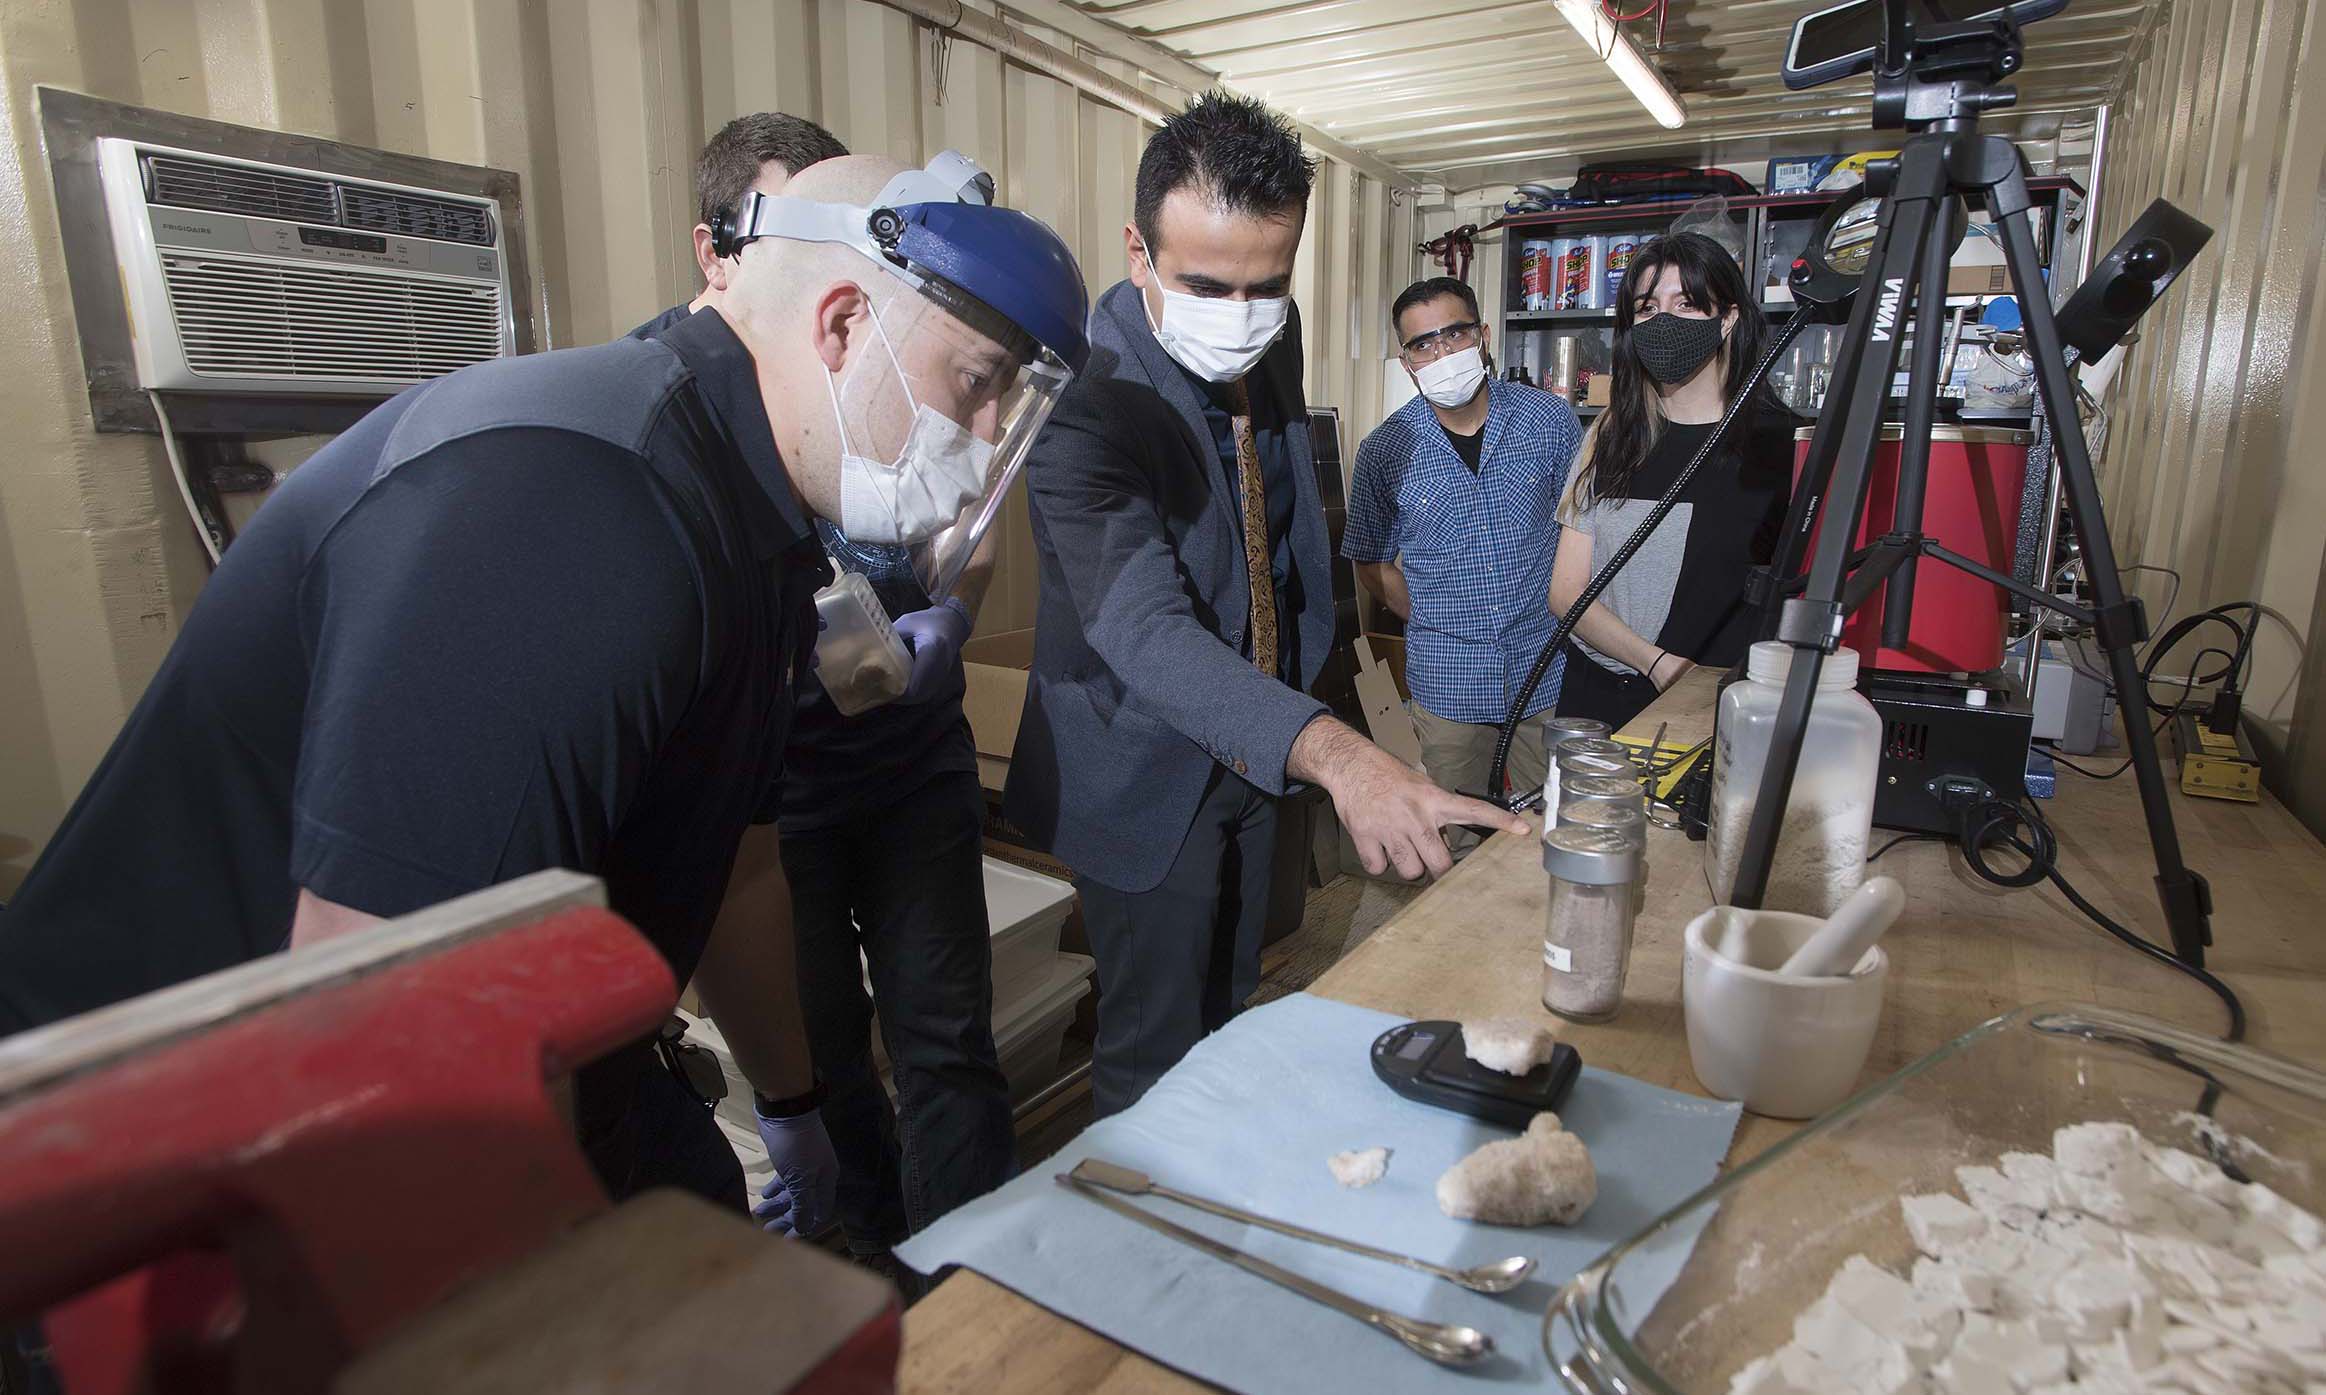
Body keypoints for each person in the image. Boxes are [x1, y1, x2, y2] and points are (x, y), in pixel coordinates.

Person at [0, 157, 1090, 1239]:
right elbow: (383, 1013)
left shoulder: (754, 523)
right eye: (974, 383)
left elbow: (740, 860)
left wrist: (792, 1106)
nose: (989, 438)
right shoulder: (573, 508)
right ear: (843, 325)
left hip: (522, 1046)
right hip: (179, 1178)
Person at [1006, 93, 1525, 1117]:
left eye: (1266, 286)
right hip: (1145, 772)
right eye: (1206, 284)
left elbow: (1289, 549)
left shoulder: (1265, 342)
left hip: (1262, 749)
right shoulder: (1081, 401)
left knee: (1233, 1006)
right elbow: (1143, 628)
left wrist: (1308, 724)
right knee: (1152, 1054)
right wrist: (1343, 755)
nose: (1238, 315)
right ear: (1137, 249)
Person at [634, 121, 1013, 1272]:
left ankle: (971, 1267)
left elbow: (971, 498)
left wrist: (953, 608)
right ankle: (868, 1253)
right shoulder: (663, 415)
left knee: (944, 1035)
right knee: (822, 1052)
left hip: (909, 762)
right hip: (775, 802)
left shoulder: (897, 351)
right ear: (720, 254)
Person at [1344, 276, 1582, 843]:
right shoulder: (1385, 450)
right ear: (1407, 362)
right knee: (1451, 846)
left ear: (1483, 336)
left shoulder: (1550, 423)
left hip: (1544, 672)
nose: (1442, 353)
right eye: (1423, 344)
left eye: (1455, 335)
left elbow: (1582, 536)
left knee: (1548, 835)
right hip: (1449, 687)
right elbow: (1371, 562)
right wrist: (1435, 619)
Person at [1549, 232, 1793, 729]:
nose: (1663, 321)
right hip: (1598, 701)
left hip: (1719, 709)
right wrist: (1655, 661)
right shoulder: (1612, 433)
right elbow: (1565, 591)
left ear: (1728, 318)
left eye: (1687, 304)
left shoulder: (1782, 446)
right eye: (1647, 307)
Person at [631, 111, 849, 340]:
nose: (816, 266)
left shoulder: (846, 347)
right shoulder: (644, 372)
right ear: (714, 256)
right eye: (785, 235)